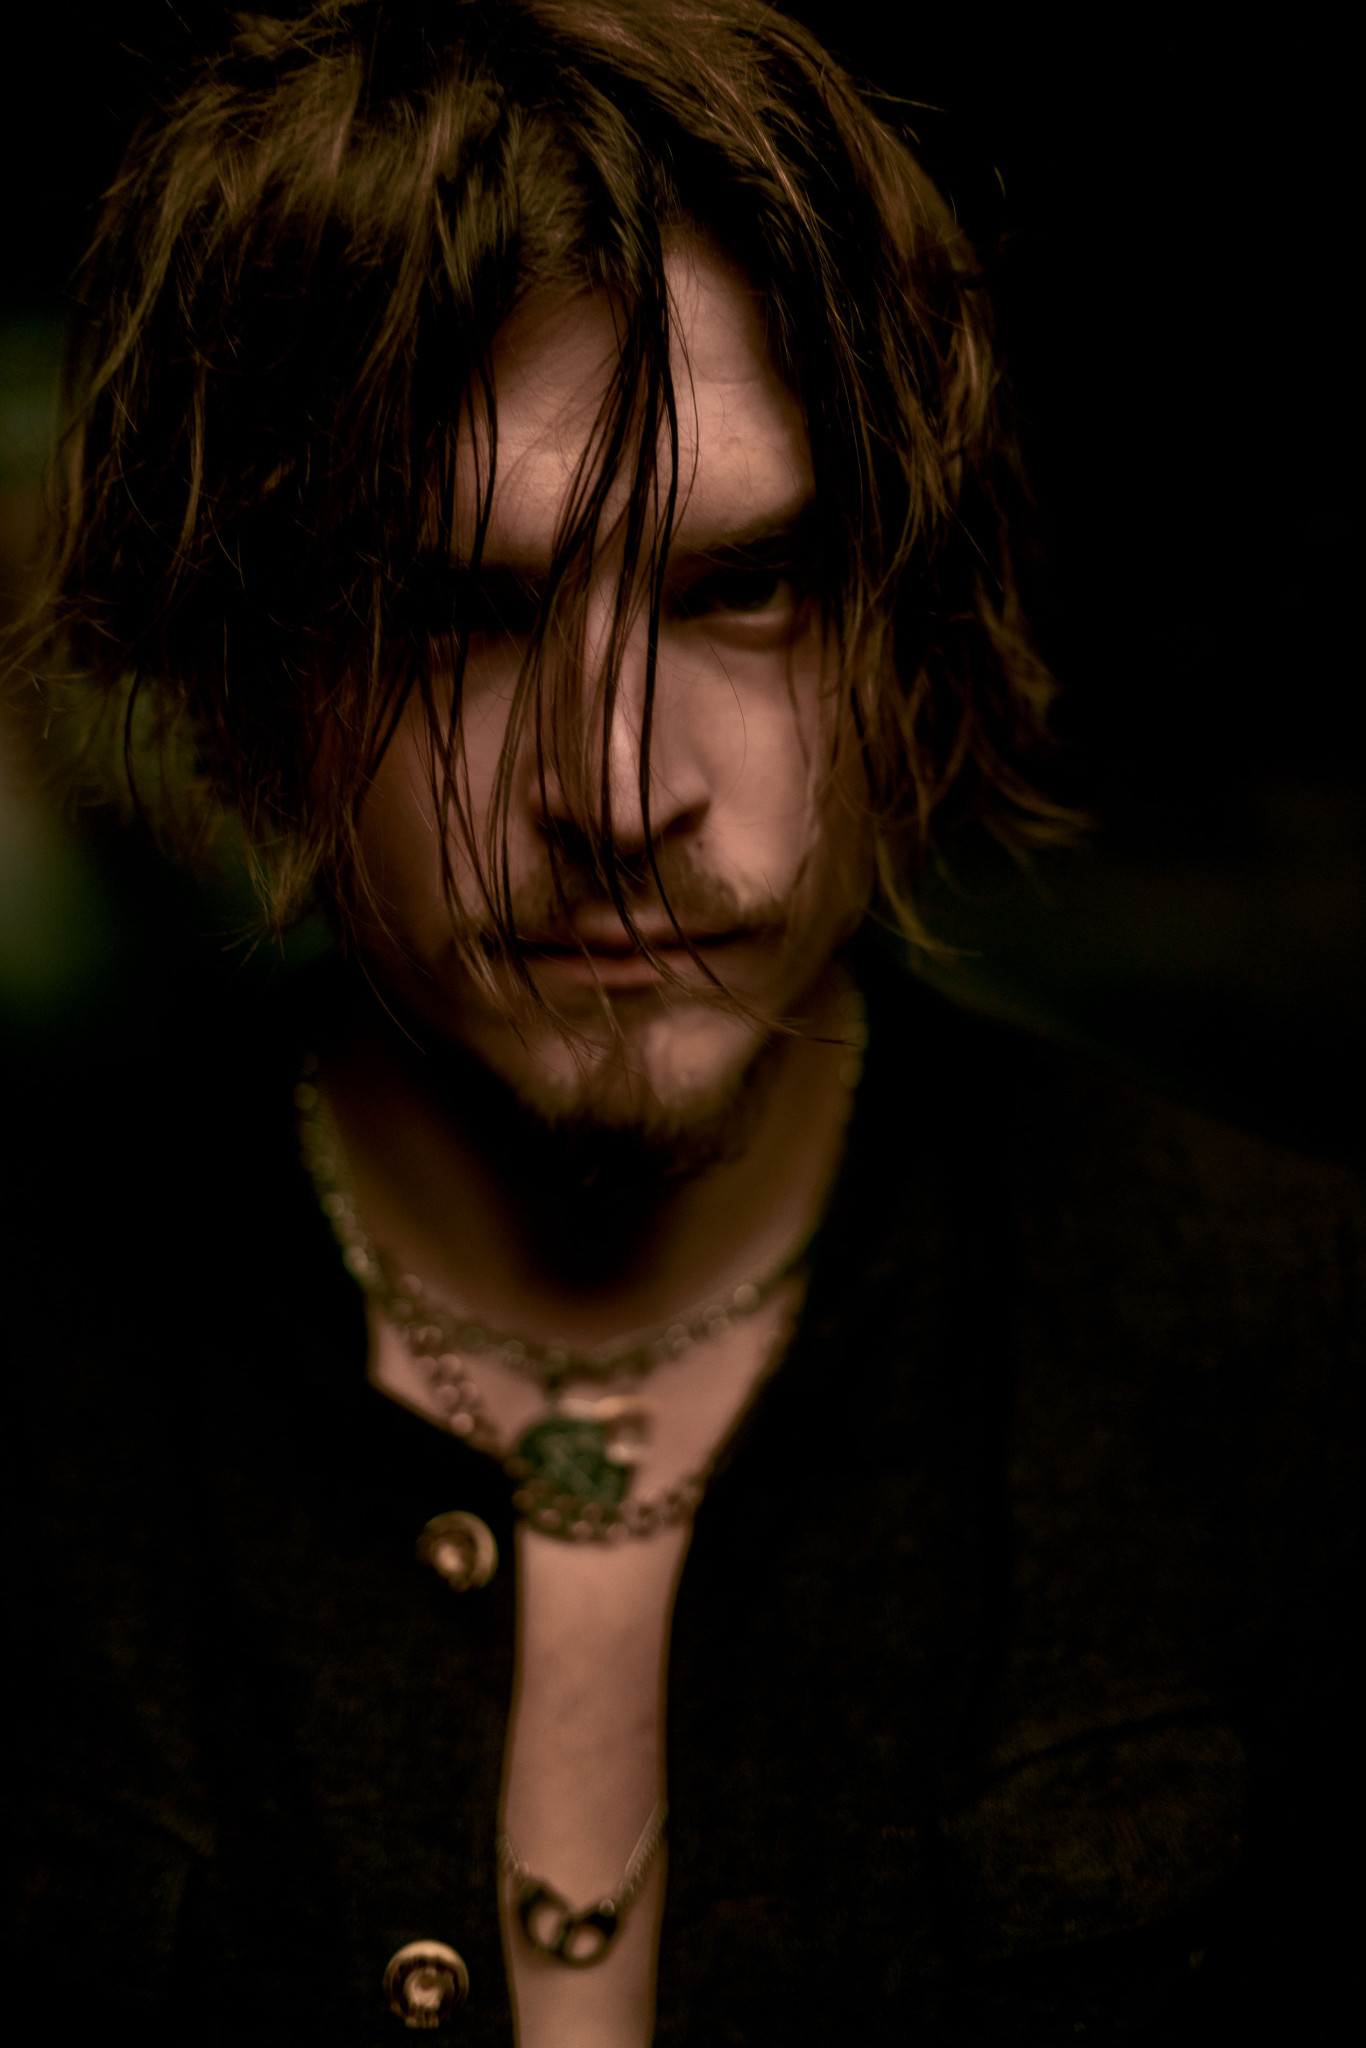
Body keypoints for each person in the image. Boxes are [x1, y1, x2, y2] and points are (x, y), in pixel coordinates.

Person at [6, 4, 1361, 2043]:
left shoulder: (1291, 1352)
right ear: (265, 673)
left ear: (906, 623)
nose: (614, 785)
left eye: (742, 586)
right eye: (456, 615)